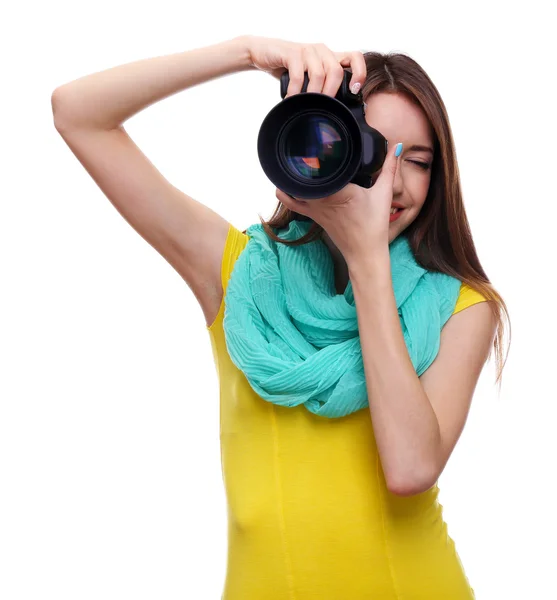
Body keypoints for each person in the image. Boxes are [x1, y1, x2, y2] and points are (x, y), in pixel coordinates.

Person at [52, 35, 510, 599]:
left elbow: (411, 469)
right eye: (371, 151)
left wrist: (368, 261)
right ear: (315, 153)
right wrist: (245, 54)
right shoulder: (238, 275)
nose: (393, 182)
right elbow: (77, 114)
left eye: (416, 162)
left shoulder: (461, 305)